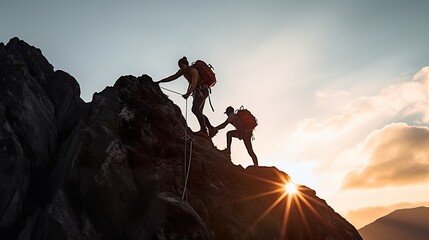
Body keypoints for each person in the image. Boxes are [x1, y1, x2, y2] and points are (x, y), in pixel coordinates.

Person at [157, 57, 217, 137]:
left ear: (186, 65)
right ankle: (211, 128)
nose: (181, 68)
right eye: (180, 67)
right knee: (198, 111)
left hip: (202, 90)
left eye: (182, 66)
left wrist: (188, 94)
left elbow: (194, 83)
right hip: (199, 91)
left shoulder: (193, 70)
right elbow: (173, 76)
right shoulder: (183, 71)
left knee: (195, 109)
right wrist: (162, 81)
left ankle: (204, 131)